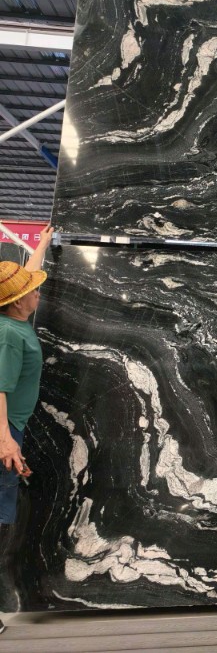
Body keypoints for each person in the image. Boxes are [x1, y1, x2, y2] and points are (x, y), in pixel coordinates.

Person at [0, 225, 53, 631]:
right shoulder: (9, 335)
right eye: (32, 290)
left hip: (10, 430)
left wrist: (43, 243)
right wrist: (6, 442)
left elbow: (28, 276)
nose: (38, 292)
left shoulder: (13, 320)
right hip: (4, 434)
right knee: (1, 516)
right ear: (18, 301)